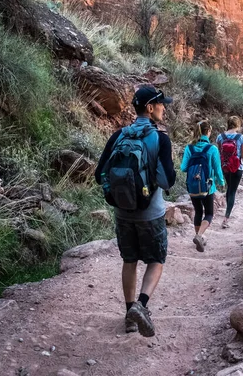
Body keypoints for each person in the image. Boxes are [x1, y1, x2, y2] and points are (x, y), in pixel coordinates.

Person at [95, 85, 176, 338]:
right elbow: (167, 180)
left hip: (122, 214)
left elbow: (100, 175)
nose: (164, 108)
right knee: (156, 260)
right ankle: (141, 306)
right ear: (150, 108)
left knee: (129, 261)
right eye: (161, 104)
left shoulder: (118, 136)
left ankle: (129, 316)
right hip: (150, 214)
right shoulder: (160, 138)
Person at [181, 120, 225, 252]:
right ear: (209, 132)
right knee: (209, 213)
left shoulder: (189, 148)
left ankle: (198, 239)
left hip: (192, 186)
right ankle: (199, 236)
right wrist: (221, 182)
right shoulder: (212, 149)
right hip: (207, 187)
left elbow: (183, 167)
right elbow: (217, 169)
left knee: (198, 211)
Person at [216, 115, 243, 229]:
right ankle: (226, 218)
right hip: (237, 167)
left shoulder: (220, 137)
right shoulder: (241, 137)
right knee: (232, 191)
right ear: (238, 124)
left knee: (229, 188)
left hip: (225, 167)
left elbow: (220, 152)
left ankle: (227, 212)